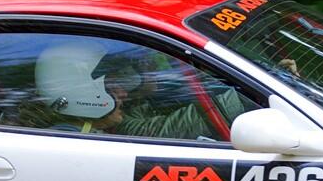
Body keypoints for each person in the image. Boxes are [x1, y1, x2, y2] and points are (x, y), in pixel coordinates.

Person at [17, 38, 246, 140]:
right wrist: (251, 94)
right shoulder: (87, 140)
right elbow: (176, 127)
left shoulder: (95, 130)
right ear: (84, 93)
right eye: (111, 87)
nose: (123, 94)